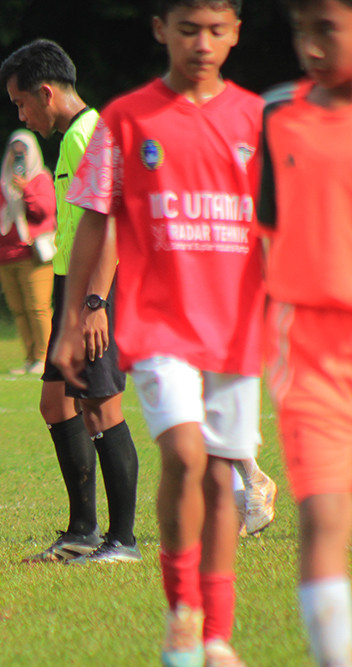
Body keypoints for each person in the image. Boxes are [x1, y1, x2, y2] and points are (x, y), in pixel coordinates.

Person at [51, 2, 263, 664]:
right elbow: (94, 218)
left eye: (216, 30)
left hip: (235, 325)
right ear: (160, 30)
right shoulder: (126, 119)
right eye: (187, 28)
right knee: (186, 455)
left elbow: (282, 224)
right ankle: (181, 609)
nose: (202, 43)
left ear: (235, 33)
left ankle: (217, 632)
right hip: (160, 322)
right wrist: (77, 314)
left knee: (225, 471)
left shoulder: (256, 120)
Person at [0, 39, 140, 566]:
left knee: (101, 407)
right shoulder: (71, 140)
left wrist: (95, 302)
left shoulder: (90, 138)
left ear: (46, 92)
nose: (20, 114)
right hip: (69, 287)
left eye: (21, 103)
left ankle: (122, 541)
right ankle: (82, 530)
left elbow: (113, 227)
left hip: (95, 292)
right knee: (56, 404)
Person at [259, 1, 352, 664]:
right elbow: (255, 238)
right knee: (322, 517)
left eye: (328, 28)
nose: (311, 46)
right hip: (310, 350)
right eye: (301, 29)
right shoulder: (275, 117)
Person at [0, 129, 57, 374]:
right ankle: (31, 358)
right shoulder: (2, 184)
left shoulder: (41, 178)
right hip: (4, 257)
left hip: (32, 255)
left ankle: (45, 358)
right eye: (14, 153)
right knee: (19, 311)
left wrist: (26, 190)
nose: (18, 158)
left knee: (38, 307)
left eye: (23, 153)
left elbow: (45, 211)